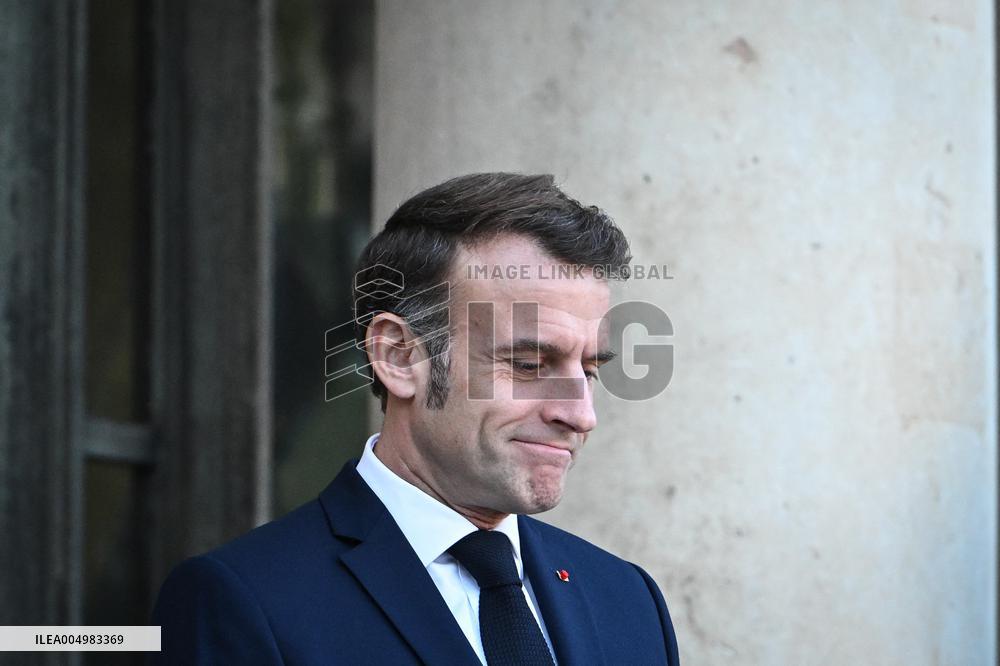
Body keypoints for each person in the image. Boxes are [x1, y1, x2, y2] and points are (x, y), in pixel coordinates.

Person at [152, 173, 680, 665]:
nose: (579, 414)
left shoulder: (629, 600)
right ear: (400, 357)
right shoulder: (243, 599)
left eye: (589, 370)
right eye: (527, 363)